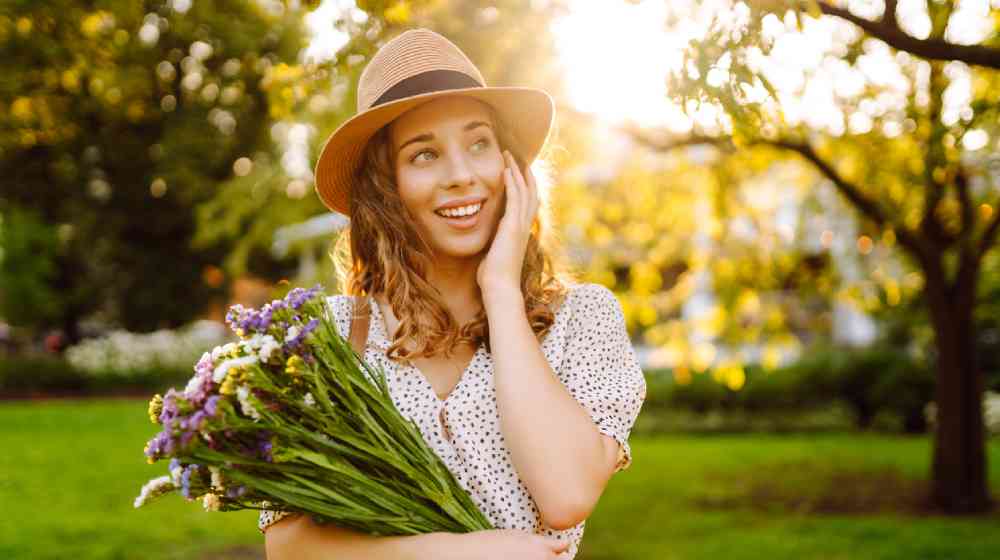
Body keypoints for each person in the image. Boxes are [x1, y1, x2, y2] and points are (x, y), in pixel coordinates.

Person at [261, 28, 646, 560]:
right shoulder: (327, 338)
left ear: (512, 168)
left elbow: (566, 495)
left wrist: (501, 292)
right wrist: (453, 552)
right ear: (384, 185)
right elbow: (287, 544)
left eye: (479, 144)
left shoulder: (583, 320)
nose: (462, 175)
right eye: (424, 155)